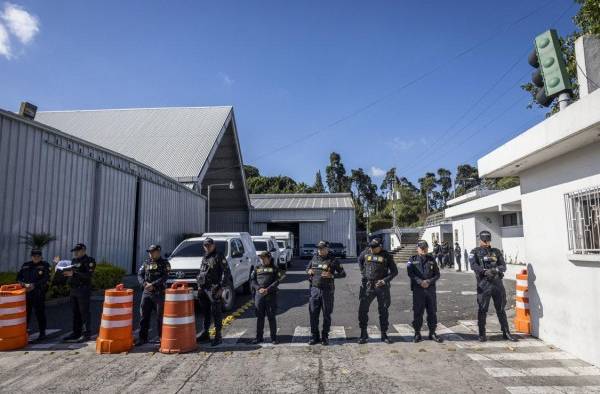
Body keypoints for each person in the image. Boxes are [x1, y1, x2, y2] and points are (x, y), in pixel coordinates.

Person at [469, 231, 518, 342]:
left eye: (488, 240)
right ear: (480, 240)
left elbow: (503, 266)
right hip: (484, 284)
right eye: (484, 241)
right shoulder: (475, 252)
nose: (486, 243)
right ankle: (482, 334)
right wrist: (485, 271)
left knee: (501, 309)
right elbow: (473, 265)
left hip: (497, 284)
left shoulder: (496, 252)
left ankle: (506, 332)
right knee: (483, 310)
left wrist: (495, 270)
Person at [357, 238, 398, 344]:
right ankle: (363, 334)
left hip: (381, 286)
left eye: (374, 247)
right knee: (363, 309)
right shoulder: (366, 252)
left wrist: (384, 281)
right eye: (370, 246)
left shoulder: (386, 255)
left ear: (380, 246)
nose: (371, 248)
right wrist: (363, 272)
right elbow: (360, 260)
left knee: (383, 310)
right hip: (368, 286)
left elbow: (394, 271)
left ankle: (384, 334)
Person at [306, 241, 346, 345]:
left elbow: (343, 274)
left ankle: (325, 336)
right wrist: (308, 271)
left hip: (327, 291)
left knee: (326, 314)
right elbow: (308, 268)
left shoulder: (333, 260)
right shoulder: (314, 257)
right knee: (313, 314)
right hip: (314, 290)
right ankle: (314, 336)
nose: (320, 250)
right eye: (319, 248)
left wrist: (331, 276)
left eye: (322, 248)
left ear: (327, 248)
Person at [196, 238, 231, 346]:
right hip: (203, 288)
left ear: (213, 245)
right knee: (205, 312)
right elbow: (202, 272)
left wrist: (221, 288)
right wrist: (199, 286)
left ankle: (218, 336)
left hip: (214, 288)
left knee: (216, 312)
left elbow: (226, 273)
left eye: (209, 245)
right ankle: (205, 333)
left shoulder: (218, 256)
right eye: (205, 245)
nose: (207, 247)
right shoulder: (205, 256)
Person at [407, 240, 443, 343]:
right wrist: (420, 282)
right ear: (417, 249)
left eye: (425, 248)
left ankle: (432, 333)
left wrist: (429, 281)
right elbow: (411, 274)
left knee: (432, 312)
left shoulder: (432, 259)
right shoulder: (412, 260)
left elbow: (437, 274)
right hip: (418, 290)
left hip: (430, 290)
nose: (423, 250)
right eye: (421, 248)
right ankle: (417, 333)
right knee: (418, 312)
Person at [136, 244, 170, 346]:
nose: (150, 254)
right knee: (144, 316)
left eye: (153, 252)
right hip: (147, 292)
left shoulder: (165, 263)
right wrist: (144, 284)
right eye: (149, 252)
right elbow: (140, 274)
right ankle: (142, 338)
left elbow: (165, 276)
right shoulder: (146, 263)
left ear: (158, 252)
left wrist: (153, 284)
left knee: (160, 317)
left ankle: (162, 338)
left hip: (159, 293)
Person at [61, 243, 96, 343]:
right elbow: (71, 274)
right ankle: (76, 333)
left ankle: (86, 334)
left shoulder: (89, 261)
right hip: (74, 289)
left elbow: (88, 276)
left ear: (83, 250)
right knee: (75, 312)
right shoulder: (74, 261)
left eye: (77, 251)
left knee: (84, 312)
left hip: (83, 289)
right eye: (74, 251)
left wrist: (74, 273)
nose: (75, 253)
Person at [251, 251, 284, 345]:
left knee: (271, 317)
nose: (262, 260)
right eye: (261, 258)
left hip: (271, 296)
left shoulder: (275, 268)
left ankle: (273, 338)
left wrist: (267, 290)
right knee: (260, 317)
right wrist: (259, 288)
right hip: (259, 295)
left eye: (264, 258)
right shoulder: (257, 268)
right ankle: (259, 338)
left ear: (269, 258)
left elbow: (277, 281)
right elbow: (253, 280)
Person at [17, 249, 50, 341]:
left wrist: (34, 285)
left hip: (38, 293)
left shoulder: (45, 265)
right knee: (26, 314)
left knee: (40, 313)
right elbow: (19, 277)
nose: (36, 258)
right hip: (26, 294)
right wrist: (22, 284)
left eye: (38, 256)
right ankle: (24, 332)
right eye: (34, 256)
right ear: (31, 256)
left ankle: (42, 333)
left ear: (41, 256)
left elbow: (46, 278)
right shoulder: (26, 265)